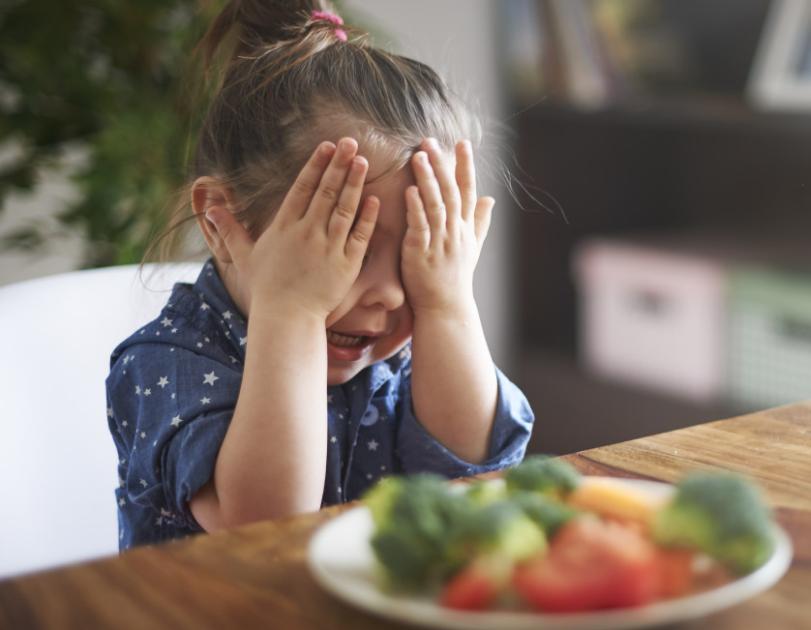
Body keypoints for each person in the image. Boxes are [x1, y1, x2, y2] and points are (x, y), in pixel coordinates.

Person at [105, 0, 533, 549]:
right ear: (223, 223)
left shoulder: (405, 339)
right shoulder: (166, 362)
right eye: (344, 249)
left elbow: (476, 471)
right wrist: (293, 311)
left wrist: (447, 303)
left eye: (415, 254)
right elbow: (265, 524)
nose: (388, 292)